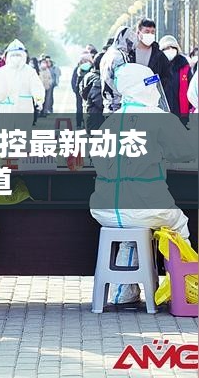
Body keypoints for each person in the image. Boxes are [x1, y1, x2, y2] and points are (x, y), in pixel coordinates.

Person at [90, 63, 198, 304]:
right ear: (142, 88)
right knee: (178, 224)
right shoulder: (159, 118)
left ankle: (124, 291)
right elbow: (186, 152)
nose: (156, 91)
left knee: (133, 231)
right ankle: (183, 290)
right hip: (144, 206)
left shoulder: (109, 122)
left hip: (105, 210)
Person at [0, 39, 45, 132]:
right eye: (13, 55)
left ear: (24, 56)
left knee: (21, 135)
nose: (16, 58)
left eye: (18, 55)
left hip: (23, 108)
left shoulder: (29, 71)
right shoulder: (0, 72)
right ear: (7, 56)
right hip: (4, 109)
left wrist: (39, 100)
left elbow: (37, 87)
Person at [100, 26, 138, 113]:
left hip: (108, 103)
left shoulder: (108, 54)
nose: (131, 46)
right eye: (129, 42)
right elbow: (125, 80)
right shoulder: (120, 56)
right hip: (118, 105)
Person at [129, 18, 171, 94]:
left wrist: (151, 83)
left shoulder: (159, 55)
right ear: (138, 33)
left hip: (152, 96)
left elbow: (167, 76)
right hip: (131, 96)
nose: (150, 35)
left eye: (152, 32)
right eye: (147, 32)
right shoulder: (129, 53)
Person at [159, 35, 193, 124]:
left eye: (172, 47)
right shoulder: (157, 67)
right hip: (162, 112)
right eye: (167, 48)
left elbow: (191, 90)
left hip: (181, 113)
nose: (170, 50)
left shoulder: (185, 67)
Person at [79, 52, 104, 134]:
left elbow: (81, 92)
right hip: (98, 119)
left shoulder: (88, 75)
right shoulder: (98, 79)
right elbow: (98, 100)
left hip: (89, 114)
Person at [72, 52, 93, 128]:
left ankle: (84, 124)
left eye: (86, 60)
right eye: (83, 60)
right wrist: (76, 90)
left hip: (88, 92)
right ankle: (79, 123)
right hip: (80, 92)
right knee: (80, 108)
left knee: (86, 108)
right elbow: (73, 80)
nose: (84, 62)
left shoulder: (91, 69)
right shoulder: (77, 69)